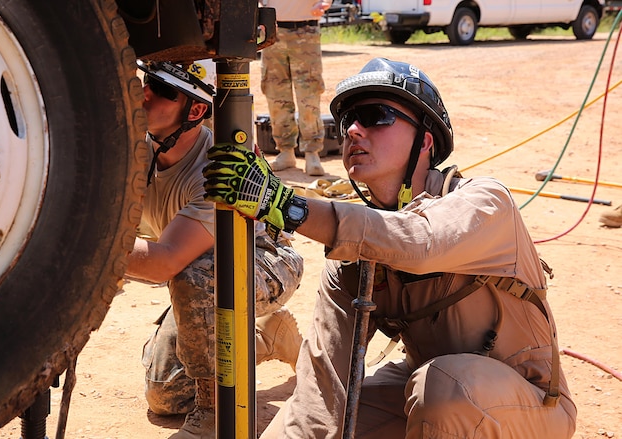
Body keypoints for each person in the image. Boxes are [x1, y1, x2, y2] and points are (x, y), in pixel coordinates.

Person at [203, 58, 577, 438]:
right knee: (322, 417)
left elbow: (416, 241)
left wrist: (287, 205)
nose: (352, 130)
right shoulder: (353, 252)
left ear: (425, 141)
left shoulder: (484, 203)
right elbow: (324, 382)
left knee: (446, 388)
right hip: (429, 391)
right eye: (348, 118)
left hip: (528, 406)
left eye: (374, 115)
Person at [126, 59, 305, 439]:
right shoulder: (134, 149)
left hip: (262, 261)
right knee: (165, 393)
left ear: (196, 110)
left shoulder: (216, 170)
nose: (144, 93)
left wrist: (90, 253)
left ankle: (214, 411)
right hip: (202, 272)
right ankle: (263, 338)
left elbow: (163, 264)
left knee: (192, 273)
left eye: (161, 89)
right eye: (147, 81)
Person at [260, 0, 331, 176]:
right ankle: (286, 152)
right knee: (276, 94)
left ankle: (311, 153)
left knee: (309, 95)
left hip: (305, 30)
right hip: (273, 32)